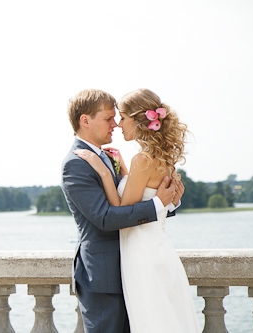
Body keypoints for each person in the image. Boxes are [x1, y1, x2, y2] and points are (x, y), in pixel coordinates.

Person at [74, 88, 200, 332]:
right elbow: (142, 192)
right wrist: (122, 169)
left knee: (152, 321)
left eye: (122, 118)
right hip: (157, 248)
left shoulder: (141, 160)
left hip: (142, 254)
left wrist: (103, 171)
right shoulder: (160, 157)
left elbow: (121, 209)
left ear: (138, 119)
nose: (118, 125)